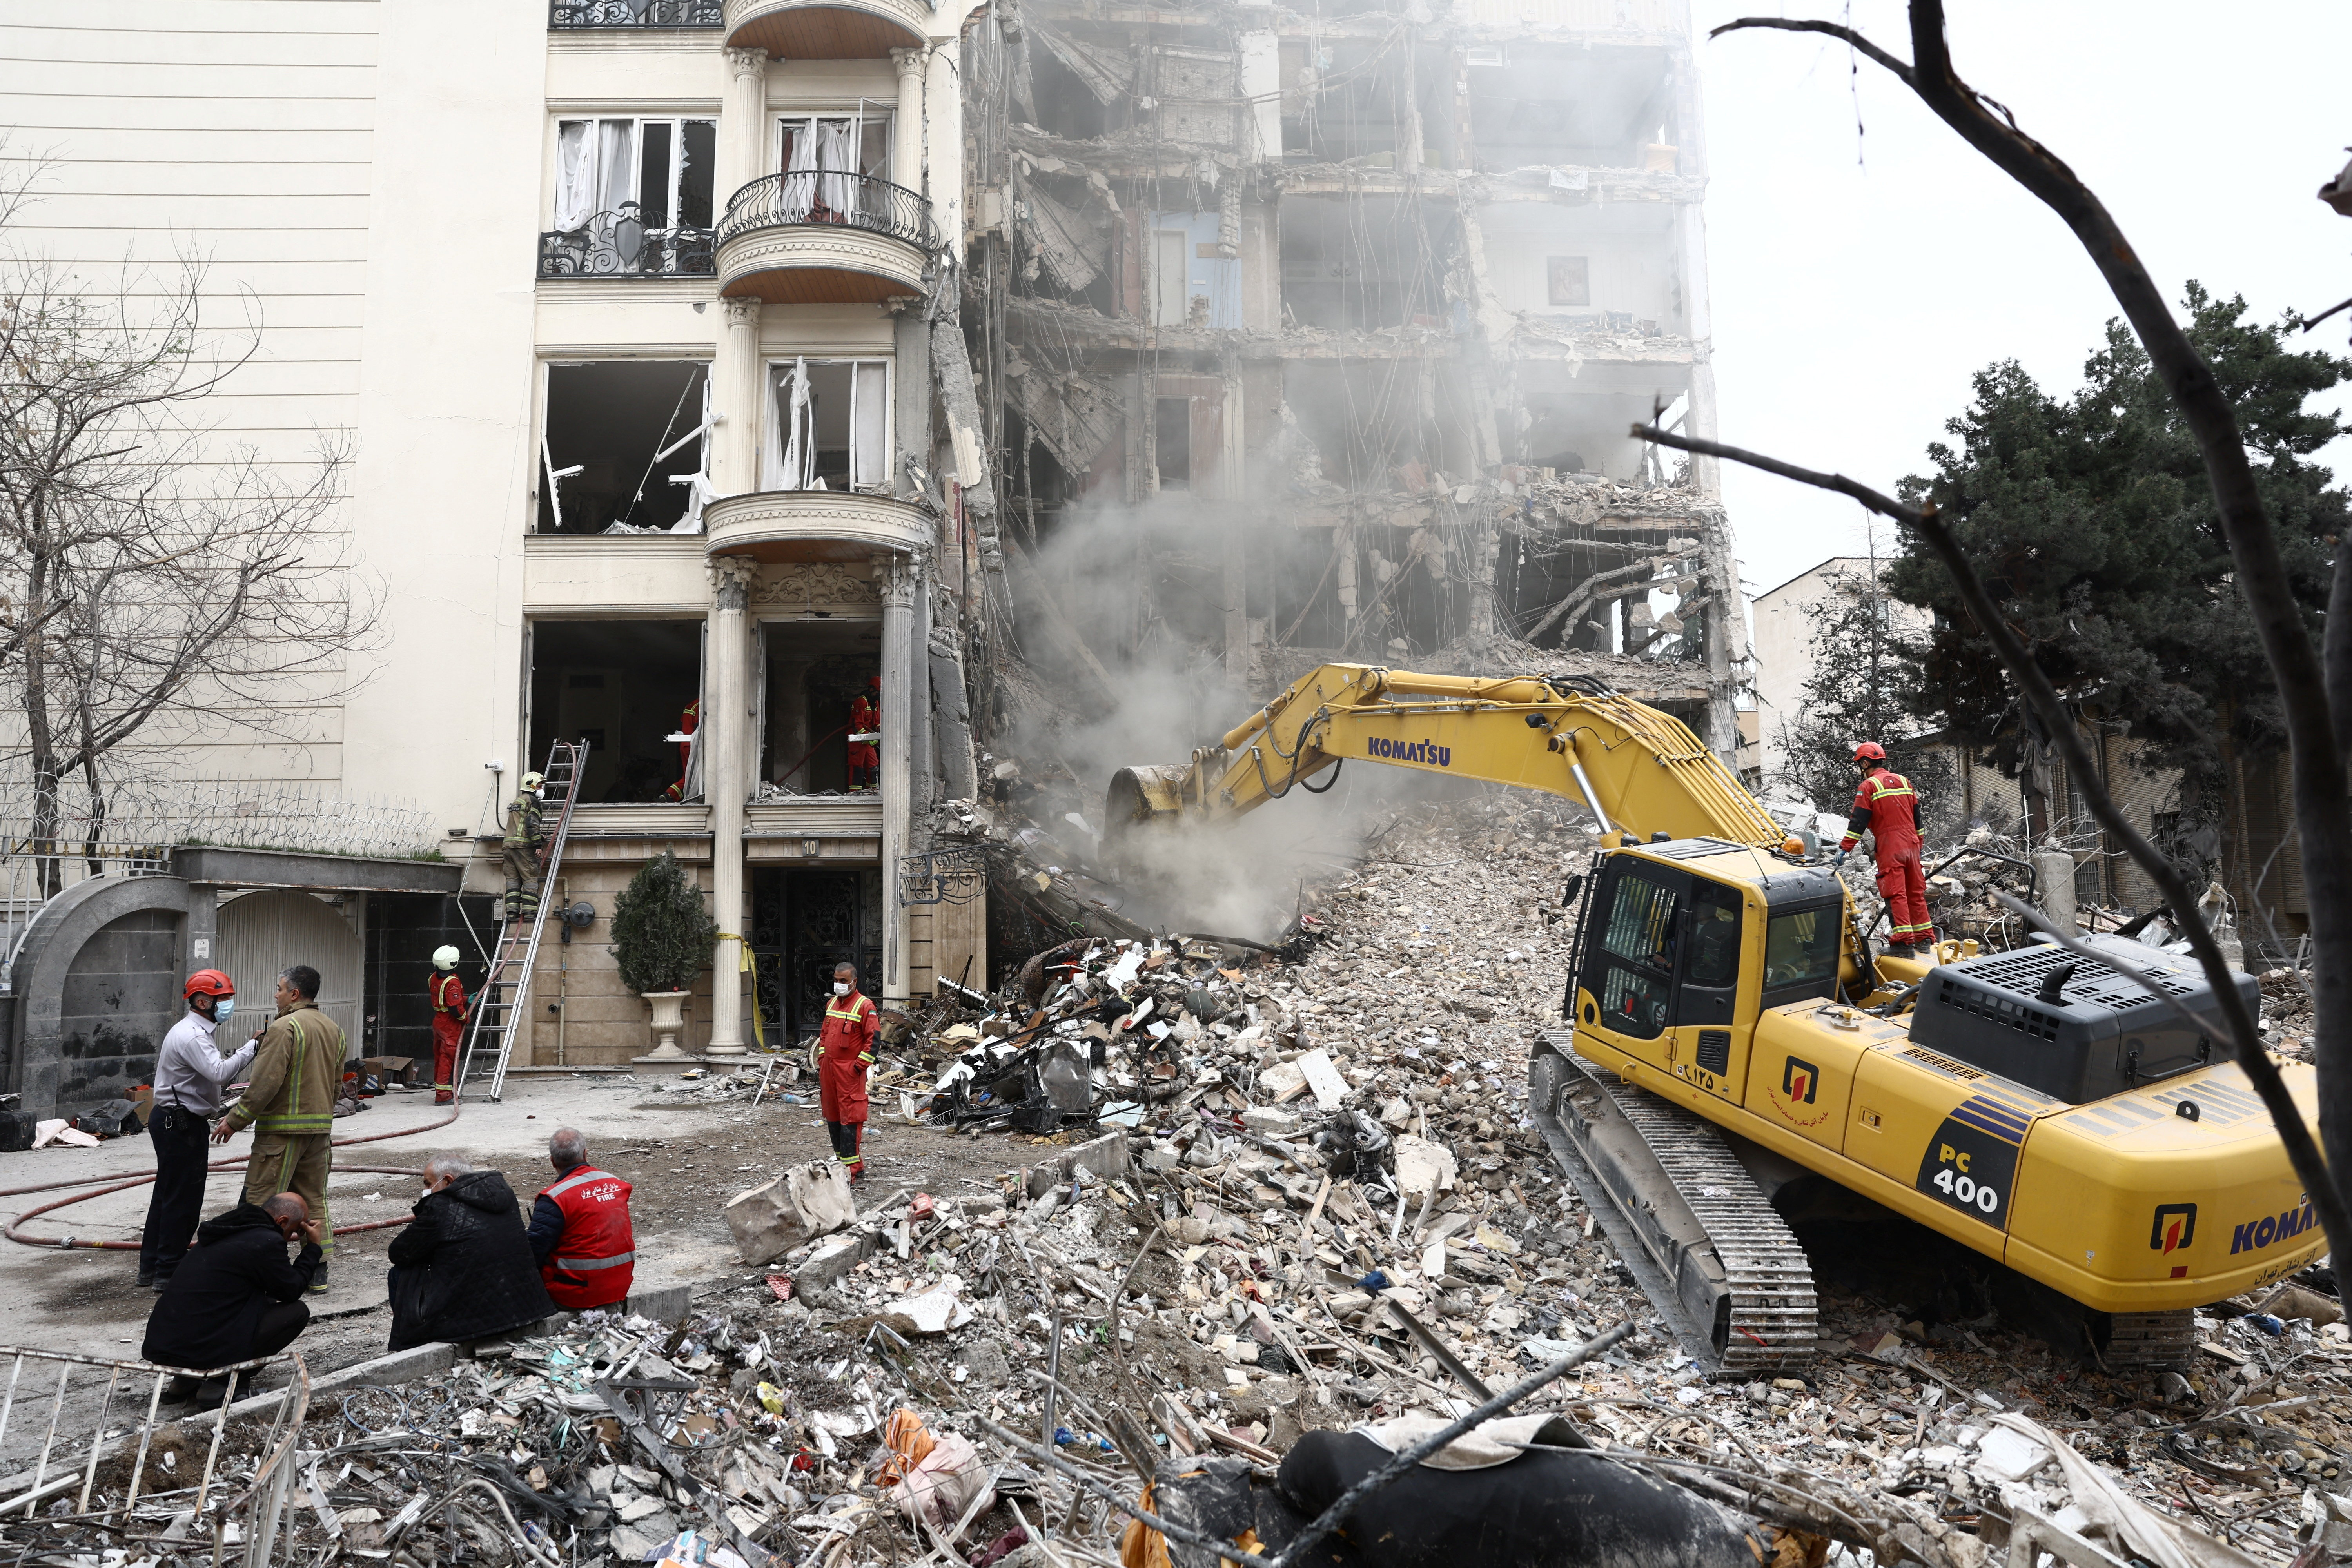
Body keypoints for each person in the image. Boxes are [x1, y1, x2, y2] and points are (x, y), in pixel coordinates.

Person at [213, 966, 345, 1294]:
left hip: (281, 1133)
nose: (276, 995)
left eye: (279, 989)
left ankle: (253, 1268)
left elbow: (265, 1083)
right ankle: (318, 1270)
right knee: (315, 1199)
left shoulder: (285, 1027)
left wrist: (235, 1119)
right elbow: (337, 1084)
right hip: (318, 1131)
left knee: (262, 1201)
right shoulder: (334, 1029)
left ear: (295, 994)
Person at [141, 1192, 321, 1405]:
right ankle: (221, 1385)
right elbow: (291, 1290)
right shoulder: (266, 1241)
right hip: (195, 1347)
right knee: (296, 1313)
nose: (291, 1237)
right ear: (282, 1221)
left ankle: (185, 1381)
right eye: (293, 1231)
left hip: (164, 1344)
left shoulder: (227, 1230)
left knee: (255, 1300)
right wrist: (313, 1248)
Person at [140, 970, 258, 1291]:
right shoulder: (192, 1035)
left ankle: (151, 1267)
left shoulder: (196, 1031)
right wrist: (252, 1048)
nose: (229, 1005)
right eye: (225, 1000)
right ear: (204, 1001)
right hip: (179, 1124)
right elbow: (219, 1073)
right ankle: (168, 1272)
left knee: (167, 1194)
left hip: (172, 1120)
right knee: (183, 1200)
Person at [386, 1156, 557, 1352]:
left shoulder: (440, 1207)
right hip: (526, 1308)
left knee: (400, 1274)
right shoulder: (505, 1195)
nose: (426, 1189)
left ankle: (414, 1339)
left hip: (470, 1321)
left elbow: (399, 1252)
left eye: (428, 1183)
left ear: (448, 1181)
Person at [1835, 741, 1934, 957]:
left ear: (1865, 762)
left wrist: (1845, 848)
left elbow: (1858, 822)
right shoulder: (1904, 781)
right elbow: (1918, 817)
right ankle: (1924, 939)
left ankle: (1903, 945)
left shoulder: (1869, 786)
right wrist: (1918, 844)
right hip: (1912, 844)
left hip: (1891, 846)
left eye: (1861, 764)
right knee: (1915, 892)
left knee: (1896, 894)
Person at [525, 1128, 637, 1309]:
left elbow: (533, 1253)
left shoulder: (555, 1198)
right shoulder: (616, 1184)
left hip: (576, 1295)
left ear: (553, 1161)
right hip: (619, 1286)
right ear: (586, 1154)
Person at [817, 960, 878, 1181]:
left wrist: (858, 1067)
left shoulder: (865, 1006)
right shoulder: (832, 1004)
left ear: (854, 981)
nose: (838, 985)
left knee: (851, 1118)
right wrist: (823, 1058)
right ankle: (847, 1164)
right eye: (835, 980)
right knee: (833, 1116)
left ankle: (849, 1170)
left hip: (849, 1072)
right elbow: (824, 1034)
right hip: (829, 1070)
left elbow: (873, 1042)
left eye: (843, 981)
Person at [503, 771, 546, 929]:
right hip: (524, 847)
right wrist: (538, 845)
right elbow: (532, 823)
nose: (542, 788)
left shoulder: (518, 801)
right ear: (532, 786)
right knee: (530, 877)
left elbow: (519, 824)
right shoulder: (532, 801)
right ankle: (529, 911)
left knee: (513, 880)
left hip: (508, 847)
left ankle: (512, 911)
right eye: (540, 785)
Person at [427, 946, 467, 1105]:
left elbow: (445, 1000)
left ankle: (441, 1091)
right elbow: (454, 1008)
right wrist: (465, 1018)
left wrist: (465, 999)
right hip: (450, 1024)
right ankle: (444, 1096)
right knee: (448, 1058)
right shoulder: (453, 981)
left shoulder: (434, 978)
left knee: (440, 1056)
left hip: (439, 1019)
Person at [846, 679, 880, 791]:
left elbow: (876, 723)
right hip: (857, 741)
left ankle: (872, 792)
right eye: (877, 693)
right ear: (871, 690)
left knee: (873, 767)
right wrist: (869, 737)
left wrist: (880, 731)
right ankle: (854, 794)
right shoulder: (861, 702)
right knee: (857, 767)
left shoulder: (875, 703)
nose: (878, 695)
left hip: (868, 741)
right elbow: (857, 726)